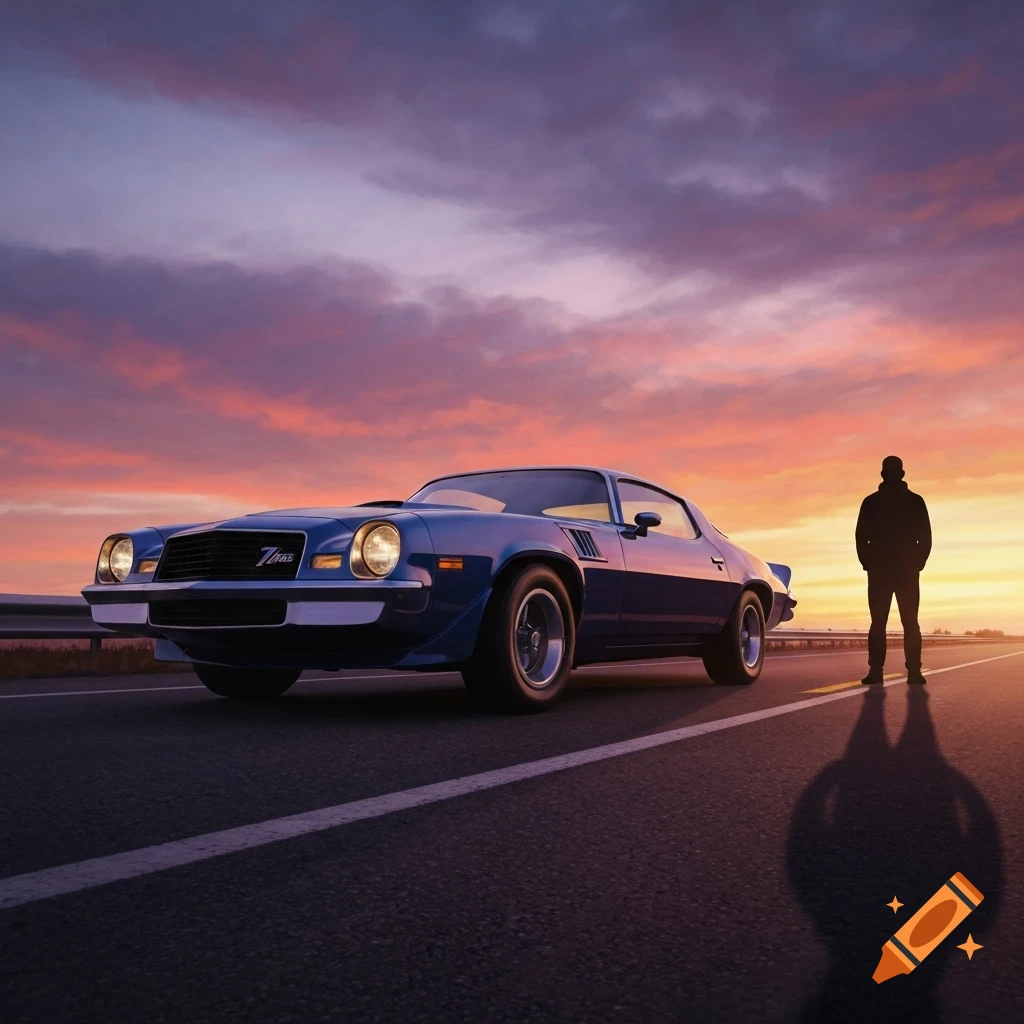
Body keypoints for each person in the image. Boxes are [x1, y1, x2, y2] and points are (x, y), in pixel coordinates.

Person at [856, 456, 931, 685]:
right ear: (902, 474)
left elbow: (861, 537)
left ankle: (876, 672)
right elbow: (926, 538)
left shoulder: (871, 502)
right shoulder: (915, 501)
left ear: (882, 474)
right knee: (910, 622)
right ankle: (914, 673)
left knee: (879, 623)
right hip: (905, 571)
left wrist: (868, 563)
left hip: (881, 572)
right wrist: (918, 563)